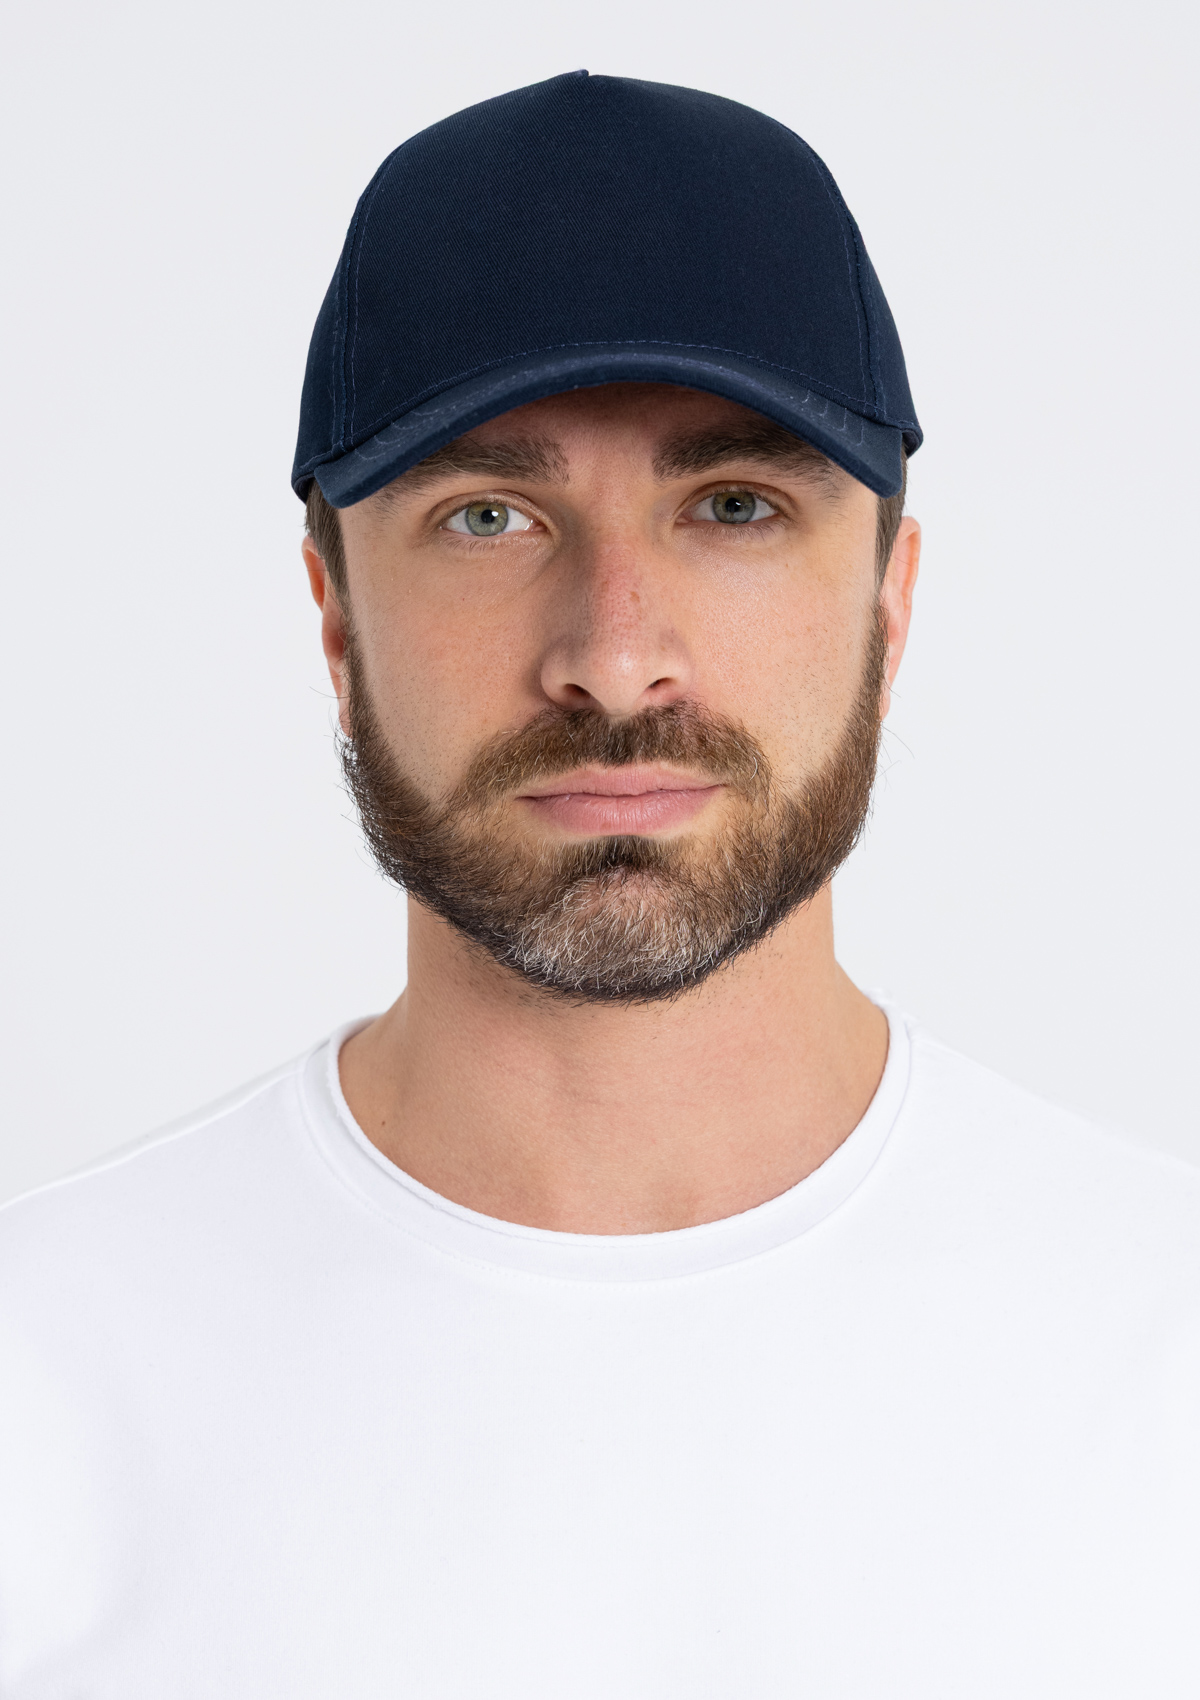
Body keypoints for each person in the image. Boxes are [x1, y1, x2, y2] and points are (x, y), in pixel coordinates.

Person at [1, 71, 1197, 1698]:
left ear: (889, 605)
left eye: (734, 506)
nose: (616, 656)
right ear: (336, 615)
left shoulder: (1164, 1355)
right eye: (490, 516)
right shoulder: (44, 1383)